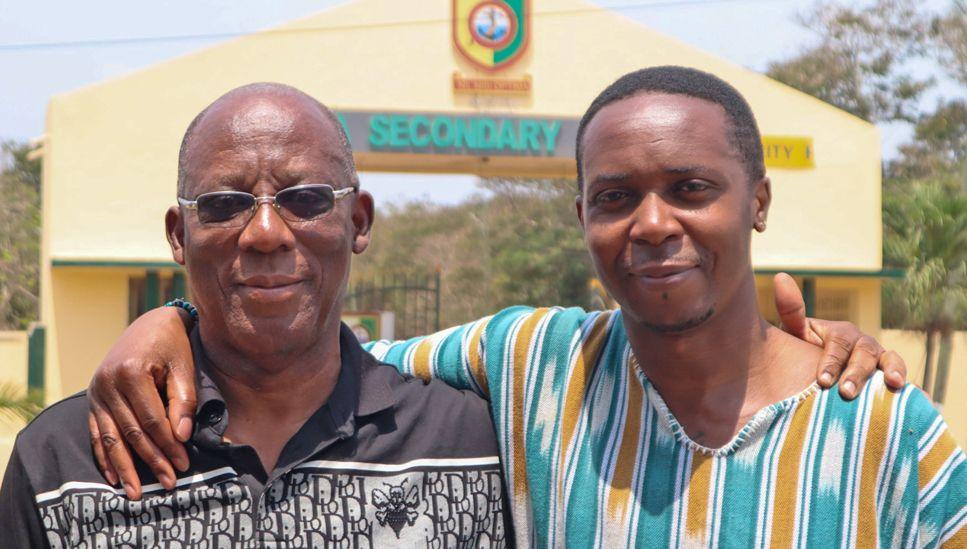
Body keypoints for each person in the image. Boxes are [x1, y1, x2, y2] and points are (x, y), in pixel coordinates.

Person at [86, 69, 926, 546]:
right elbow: (315, 355)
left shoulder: (886, 430)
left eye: (691, 188)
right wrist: (178, 321)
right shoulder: (535, 362)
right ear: (582, 220)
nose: (654, 223)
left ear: (758, 201)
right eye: (615, 196)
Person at [0, 84, 511, 547]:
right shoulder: (64, 467)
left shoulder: (470, 445)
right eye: (224, 204)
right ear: (179, 235)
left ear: (357, 221)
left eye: (306, 199)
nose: (265, 232)